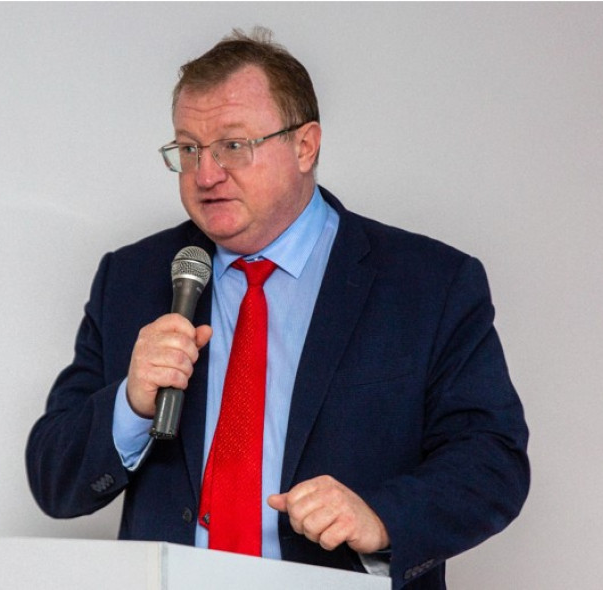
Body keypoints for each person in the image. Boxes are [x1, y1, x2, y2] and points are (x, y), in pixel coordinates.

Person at [26, 27, 529, 590]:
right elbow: (53, 480)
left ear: (305, 145)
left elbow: (493, 462)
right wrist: (131, 404)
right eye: (189, 149)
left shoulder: (429, 284)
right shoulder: (131, 278)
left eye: (233, 146)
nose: (206, 174)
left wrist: (383, 517)